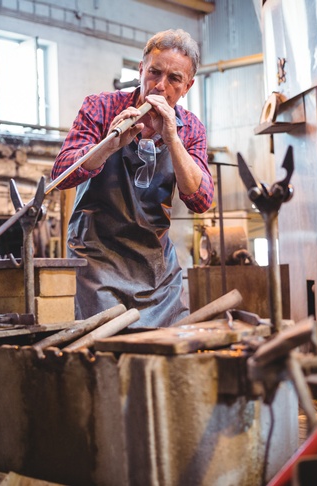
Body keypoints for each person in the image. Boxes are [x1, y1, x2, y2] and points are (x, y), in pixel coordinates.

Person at [52, 29, 214, 328]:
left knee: (167, 351)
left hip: (156, 267)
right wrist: (108, 145)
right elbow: (61, 173)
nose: (160, 86)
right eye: (154, 72)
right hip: (99, 260)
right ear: (141, 69)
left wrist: (173, 139)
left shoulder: (190, 129)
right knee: (108, 354)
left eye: (174, 79)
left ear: (187, 86)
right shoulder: (100, 108)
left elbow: (201, 200)